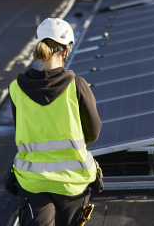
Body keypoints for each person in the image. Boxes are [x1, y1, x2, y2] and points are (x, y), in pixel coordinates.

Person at [9, 18, 102, 226]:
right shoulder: (77, 85)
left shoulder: (16, 88)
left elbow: (21, 130)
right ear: (65, 49)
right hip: (72, 182)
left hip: (32, 181)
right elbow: (93, 133)